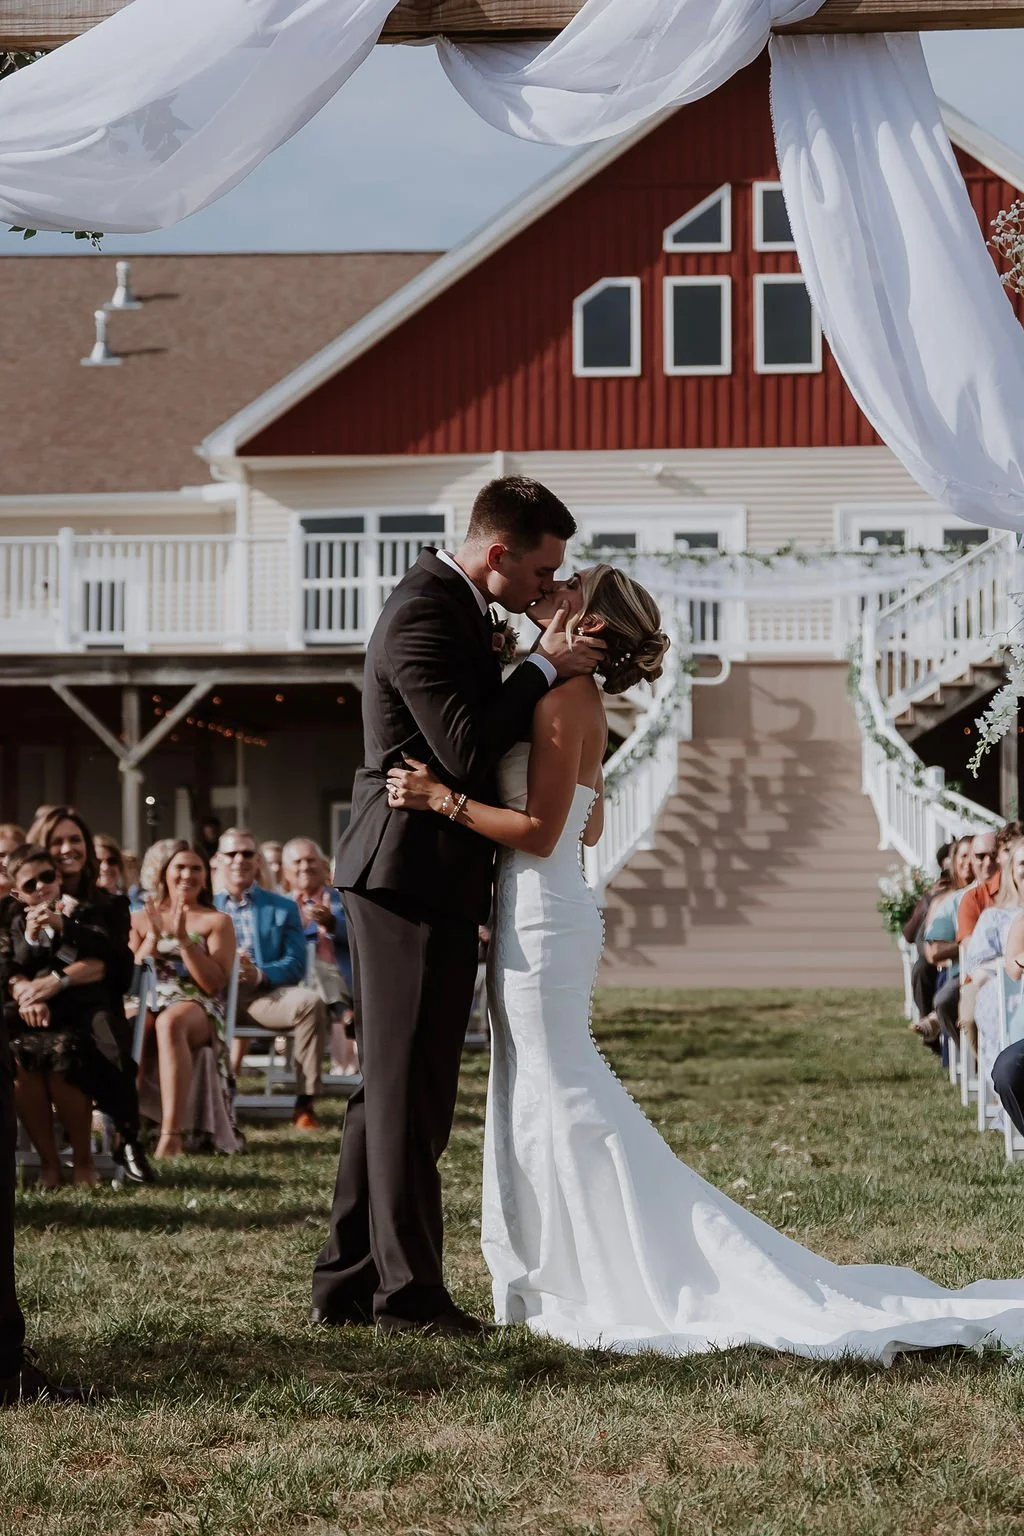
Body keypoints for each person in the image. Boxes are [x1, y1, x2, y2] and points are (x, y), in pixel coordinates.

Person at [388, 562, 1024, 1362]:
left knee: (561, 1092)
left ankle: (613, 1266)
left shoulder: (561, 697)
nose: (552, 585)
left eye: (567, 582)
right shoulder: (572, 696)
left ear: (588, 621)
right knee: (539, 1090)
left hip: (544, 916)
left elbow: (547, 833)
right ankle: (564, 1262)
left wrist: (440, 800)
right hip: (550, 908)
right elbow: (588, 827)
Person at [310, 475, 602, 1337]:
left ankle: (348, 1280)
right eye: (541, 569)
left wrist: (539, 651)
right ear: (497, 551)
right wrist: (546, 664)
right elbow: (466, 747)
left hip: (428, 873)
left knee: (393, 1091)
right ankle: (410, 1298)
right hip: (403, 871)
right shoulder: (423, 612)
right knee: (411, 1096)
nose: (549, 585)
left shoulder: (460, 604)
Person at [27, 807, 151, 1183]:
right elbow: (21, 963)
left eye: (75, 840)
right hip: (39, 1008)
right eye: (58, 841)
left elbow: (118, 964)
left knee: (110, 1039)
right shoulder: (24, 899)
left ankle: (127, 1137)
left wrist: (62, 973)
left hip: (94, 1004)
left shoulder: (110, 903)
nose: (68, 848)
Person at [0, 844, 125, 1187]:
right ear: (16, 892)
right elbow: (9, 964)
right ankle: (49, 1164)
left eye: (47, 877)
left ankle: (84, 1163)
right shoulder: (10, 919)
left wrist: (61, 923)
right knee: (21, 1062)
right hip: (26, 1020)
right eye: (30, 884)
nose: (41, 886)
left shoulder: (84, 911)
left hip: (75, 1015)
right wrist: (25, 992)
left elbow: (103, 953)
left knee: (63, 1060)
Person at [130, 841, 239, 1158]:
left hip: (196, 1004)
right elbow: (134, 976)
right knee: (136, 1022)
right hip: (146, 996)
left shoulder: (216, 922)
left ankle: (171, 1134)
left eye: (196, 868)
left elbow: (212, 983)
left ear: (206, 878)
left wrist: (182, 941)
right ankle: (124, 1127)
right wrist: (152, 936)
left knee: (169, 1022)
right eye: (180, 867)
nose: (187, 875)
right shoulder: (140, 918)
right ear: (165, 874)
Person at [215, 827, 327, 1131]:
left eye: (247, 853)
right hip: (213, 995)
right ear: (218, 860)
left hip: (262, 995)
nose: (239, 859)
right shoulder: (205, 904)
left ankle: (304, 1103)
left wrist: (259, 973)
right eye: (231, 853)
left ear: (257, 860)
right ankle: (213, 1102)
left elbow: (295, 964)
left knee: (310, 1002)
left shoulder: (281, 906)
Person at [282, 838, 357, 1079]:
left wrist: (332, 923)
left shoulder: (344, 900)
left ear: (324, 866)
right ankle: (344, 1013)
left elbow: (361, 938)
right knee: (311, 964)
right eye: (298, 861)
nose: (305, 866)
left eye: (311, 860)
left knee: (317, 971)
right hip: (292, 984)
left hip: (345, 977)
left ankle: (343, 1014)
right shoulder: (277, 904)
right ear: (286, 870)